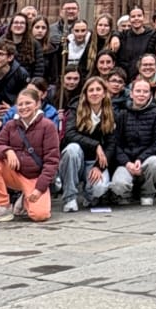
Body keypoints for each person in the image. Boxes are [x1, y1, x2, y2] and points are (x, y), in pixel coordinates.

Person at [0, 84, 60, 223]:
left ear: (37, 104)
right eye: (20, 104)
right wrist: (7, 150)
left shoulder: (48, 126)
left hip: (35, 177)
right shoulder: (11, 125)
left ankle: (26, 198)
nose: (23, 107)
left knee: (39, 215)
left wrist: (39, 188)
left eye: (28, 103)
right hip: (15, 172)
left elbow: (52, 162)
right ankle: (3, 206)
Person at [58, 74, 117, 211]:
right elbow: (70, 134)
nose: (95, 93)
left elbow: (111, 144)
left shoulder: (111, 113)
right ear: (85, 93)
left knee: (100, 188)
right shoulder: (75, 109)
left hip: (93, 162)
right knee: (72, 149)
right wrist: (95, 145)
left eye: (98, 89)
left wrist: (99, 166)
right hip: (75, 160)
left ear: (104, 93)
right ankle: (70, 198)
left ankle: (89, 194)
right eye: (91, 90)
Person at [110, 75, 156, 205]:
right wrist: (127, 163)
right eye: (138, 91)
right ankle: (126, 194)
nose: (141, 94)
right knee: (118, 185)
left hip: (145, 160)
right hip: (126, 162)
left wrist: (140, 159)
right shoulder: (122, 114)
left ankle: (147, 192)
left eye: (145, 91)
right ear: (131, 94)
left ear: (150, 94)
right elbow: (116, 143)